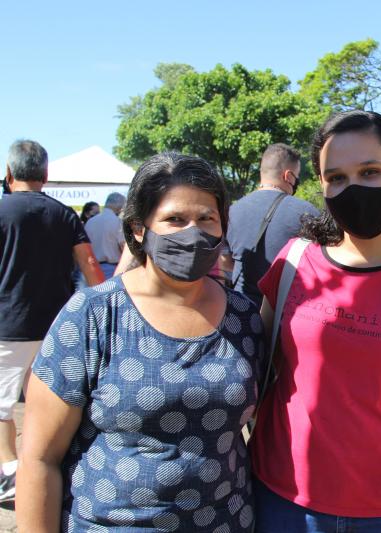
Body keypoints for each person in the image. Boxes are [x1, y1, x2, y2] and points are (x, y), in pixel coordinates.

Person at [16, 152, 264, 531]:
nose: (192, 233)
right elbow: (39, 458)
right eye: (175, 220)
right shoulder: (94, 315)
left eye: (206, 219)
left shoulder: (244, 317)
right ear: (138, 228)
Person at [250, 111, 381, 532]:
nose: (354, 189)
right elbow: (255, 373)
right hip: (282, 502)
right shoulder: (294, 261)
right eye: (337, 178)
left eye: (370, 171)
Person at [0, 140, 104, 503]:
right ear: (45, 174)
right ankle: (40, 460)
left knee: (1, 403)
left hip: (6, 323)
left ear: (9, 173)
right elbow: (90, 265)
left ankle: (12, 470)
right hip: (57, 324)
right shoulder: (64, 214)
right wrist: (109, 304)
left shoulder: (1, 210)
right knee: (47, 398)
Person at [225, 143, 319, 304]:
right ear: (288, 176)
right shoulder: (307, 212)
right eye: (297, 177)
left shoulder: (231, 211)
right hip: (283, 312)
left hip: (240, 307)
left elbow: (225, 262)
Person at [85, 192, 127, 279]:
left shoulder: (90, 222)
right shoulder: (117, 222)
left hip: (91, 268)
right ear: (120, 207)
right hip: (111, 268)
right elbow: (123, 246)